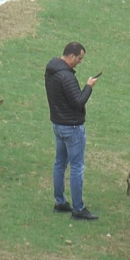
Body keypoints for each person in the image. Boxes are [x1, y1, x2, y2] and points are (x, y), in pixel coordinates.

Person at [46, 42, 99, 220]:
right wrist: (89, 86)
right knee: (76, 167)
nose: (80, 62)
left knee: (59, 164)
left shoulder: (51, 69)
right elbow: (78, 101)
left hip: (57, 124)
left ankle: (60, 201)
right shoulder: (67, 77)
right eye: (79, 58)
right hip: (72, 127)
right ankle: (78, 208)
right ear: (71, 56)